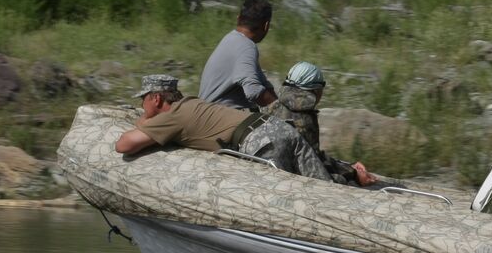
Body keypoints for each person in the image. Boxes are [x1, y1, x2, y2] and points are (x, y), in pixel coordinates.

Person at [115, 74, 332, 182]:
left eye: (143, 99)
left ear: (155, 98)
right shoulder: (192, 102)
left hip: (262, 141)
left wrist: (144, 118)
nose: (140, 104)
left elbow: (124, 145)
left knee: (288, 193)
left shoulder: (173, 117)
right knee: (323, 186)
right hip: (278, 127)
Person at [268, 61, 377, 188]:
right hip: (295, 175)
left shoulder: (273, 106)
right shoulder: (304, 118)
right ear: (315, 89)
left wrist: (349, 166)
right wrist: (353, 174)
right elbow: (314, 160)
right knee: (350, 185)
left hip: (274, 165)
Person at [198, 0, 276, 110]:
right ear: (266, 26)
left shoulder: (232, 39)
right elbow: (253, 90)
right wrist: (281, 110)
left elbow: (262, 83)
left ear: (238, 18)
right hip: (218, 117)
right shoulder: (246, 46)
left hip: (208, 113)